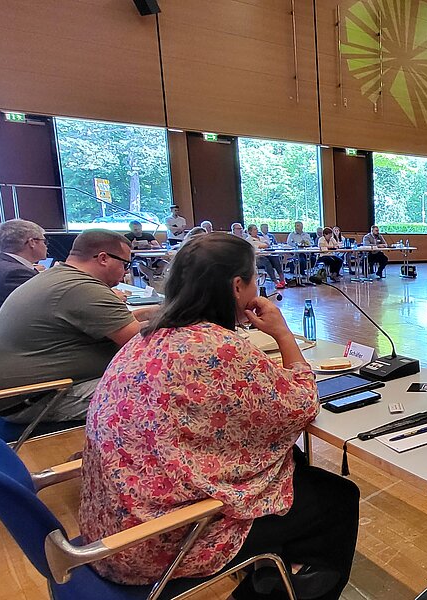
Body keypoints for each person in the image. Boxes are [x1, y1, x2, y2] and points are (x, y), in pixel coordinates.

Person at [78, 232, 359, 598]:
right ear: (237, 285)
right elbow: (302, 403)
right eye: (255, 278)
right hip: (159, 541)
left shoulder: (147, 336)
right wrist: (282, 334)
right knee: (338, 498)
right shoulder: (219, 348)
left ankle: (275, 569)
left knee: (292, 461)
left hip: (112, 523)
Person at [0, 230, 157, 425]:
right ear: (103, 258)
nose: (125, 271)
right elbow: (141, 342)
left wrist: (155, 313)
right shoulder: (83, 288)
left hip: (23, 394)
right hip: (43, 399)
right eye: (125, 264)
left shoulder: (61, 277)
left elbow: (115, 322)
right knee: (164, 390)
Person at [0, 219, 47, 316]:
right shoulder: (15, 273)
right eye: (44, 241)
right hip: (21, 329)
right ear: (32, 242)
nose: (46, 246)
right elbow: (46, 304)